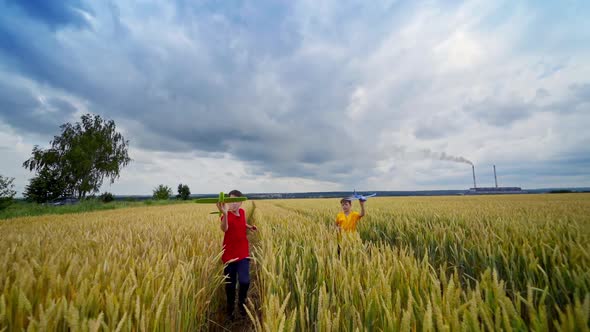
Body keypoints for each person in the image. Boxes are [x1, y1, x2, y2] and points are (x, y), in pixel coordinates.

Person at [216, 190, 257, 319]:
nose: (232, 203)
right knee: (230, 285)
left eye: (235, 201)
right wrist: (225, 214)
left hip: (243, 252)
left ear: (240, 202)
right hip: (229, 255)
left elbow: (241, 222)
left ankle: (241, 304)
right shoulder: (226, 215)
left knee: (244, 281)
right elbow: (225, 228)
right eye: (229, 201)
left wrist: (249, 226)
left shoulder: (243, 212)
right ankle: (230, 309)